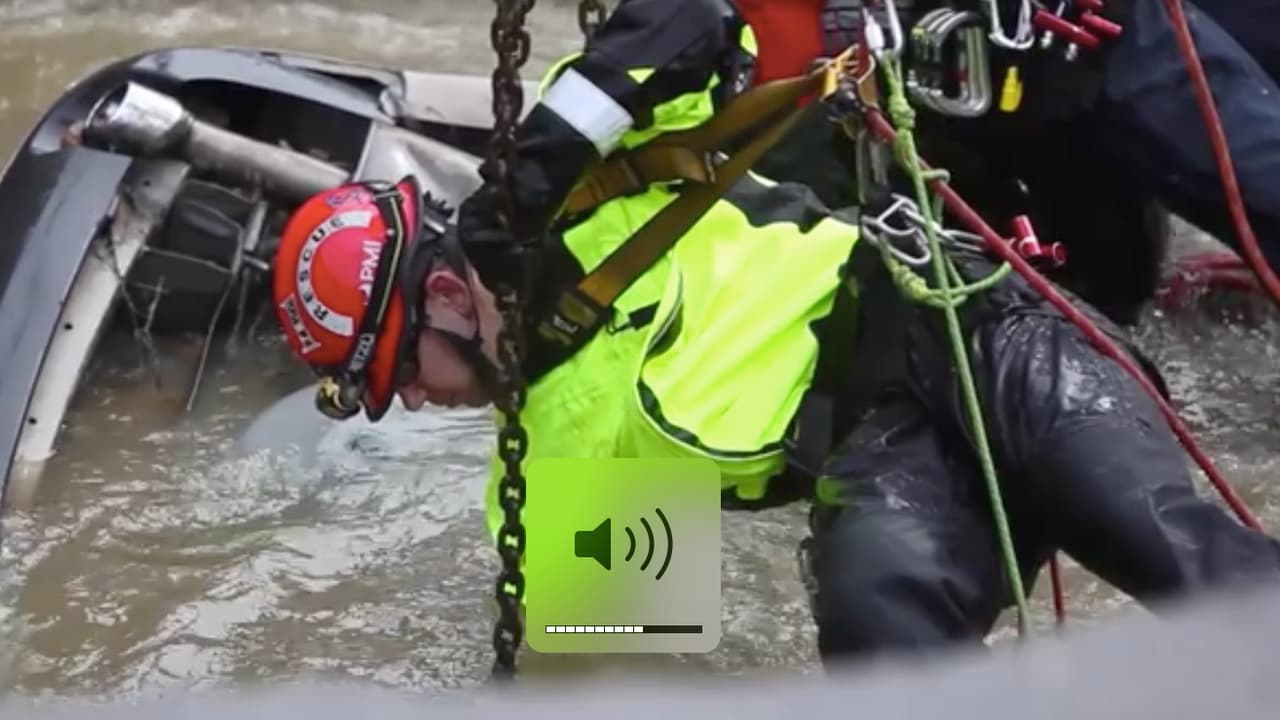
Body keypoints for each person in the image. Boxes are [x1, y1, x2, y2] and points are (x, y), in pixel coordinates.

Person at [267, 1, 1280, 666]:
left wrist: (539, 161)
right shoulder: (540, 476)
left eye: (399, 368)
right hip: (881, 454)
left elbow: (693, 21)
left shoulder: (592, 192)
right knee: (874, 613)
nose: (407, 401)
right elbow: (636, 664)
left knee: (1177, 559)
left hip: (976, 329)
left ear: (446, 293)